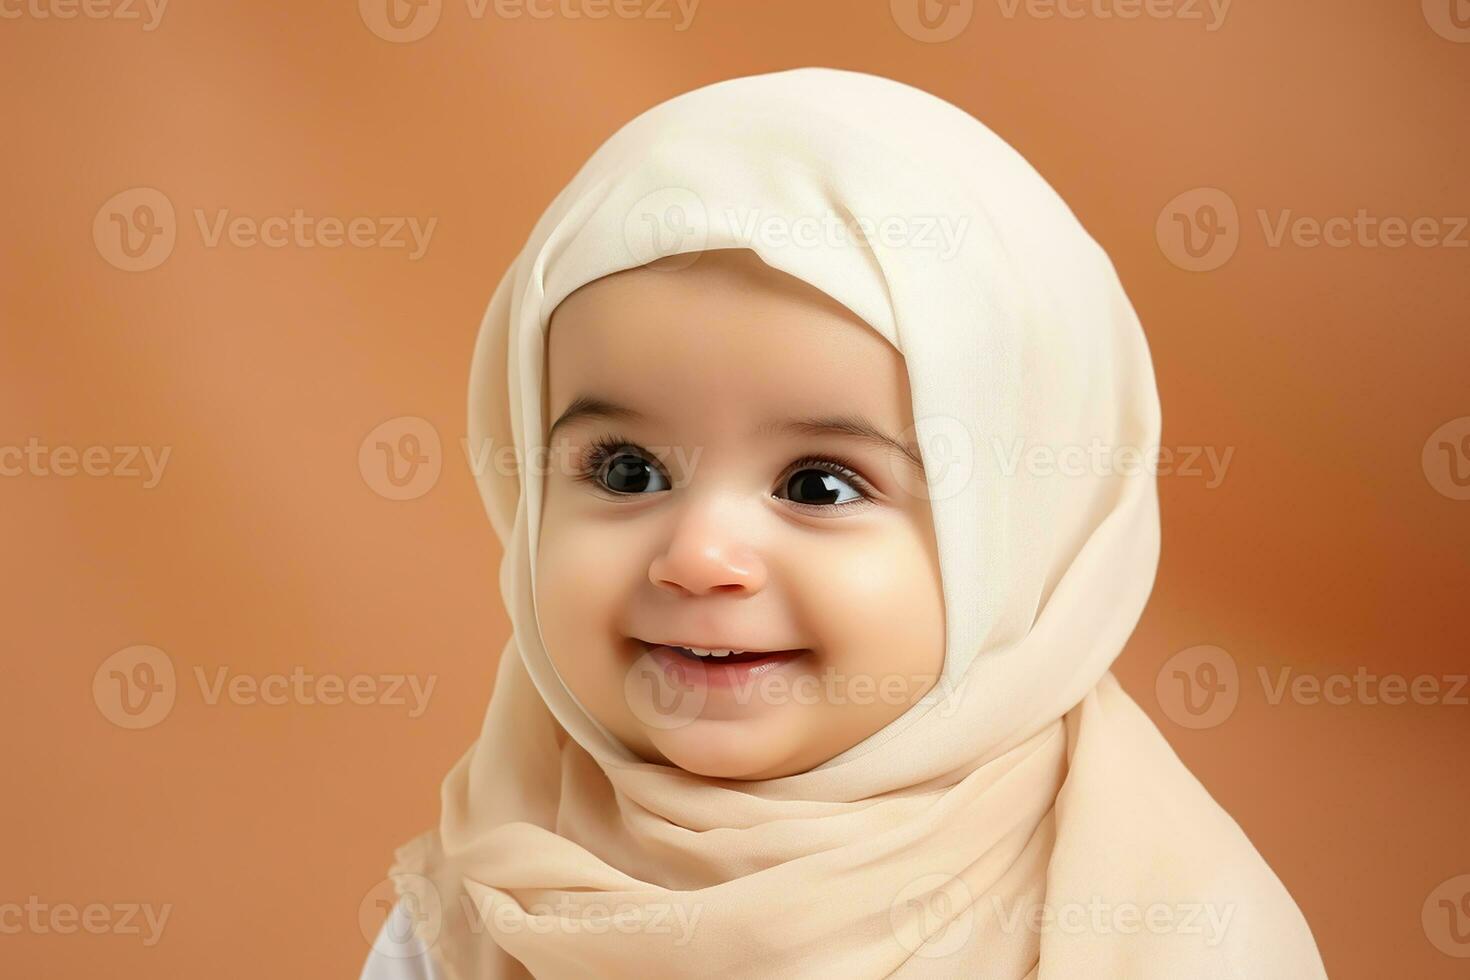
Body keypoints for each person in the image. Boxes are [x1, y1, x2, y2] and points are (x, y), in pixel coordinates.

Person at [360, 66, 1327, 979]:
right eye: (627, 470)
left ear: (1025, 539)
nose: (698, 558)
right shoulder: (485, 902)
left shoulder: (1159, 932)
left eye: (819, 486)